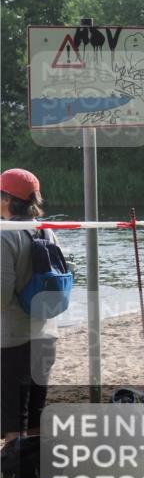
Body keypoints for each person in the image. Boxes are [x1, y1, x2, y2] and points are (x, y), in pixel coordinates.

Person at [1, 169, 59, 447]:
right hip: (47, 334)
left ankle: (16, 471)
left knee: (14, 420)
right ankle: (34, 468)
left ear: (7, 199)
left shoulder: (4, 236)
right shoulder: (47, 230)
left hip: (13, 339)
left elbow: (1, 297)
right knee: (35, 414)